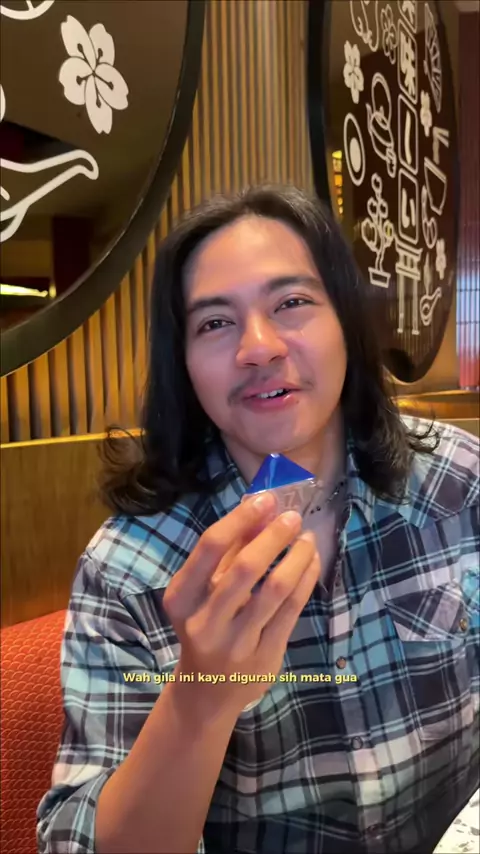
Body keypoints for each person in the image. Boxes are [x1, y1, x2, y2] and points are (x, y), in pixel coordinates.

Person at [37, 185, 479, 854]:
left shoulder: (457, 481)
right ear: (184, 365)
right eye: (215, 323)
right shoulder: (128, 570)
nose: (259, 346)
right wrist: (202, 698)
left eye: (291, 303)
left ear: (347, 323)